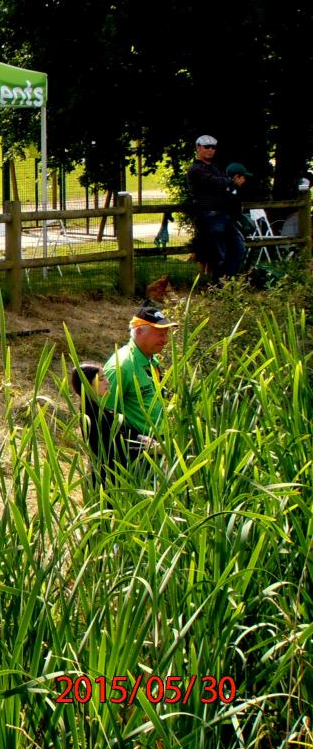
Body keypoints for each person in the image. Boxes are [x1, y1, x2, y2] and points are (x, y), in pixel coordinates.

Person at [69, 361, 152, 488]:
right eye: (101, 379)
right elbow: (109, 452)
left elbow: (123, 432)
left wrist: (142, 439)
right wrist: (146, 450)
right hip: (109, 483)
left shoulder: (98, 408)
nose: (107, 382)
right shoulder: (90, 415)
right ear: (88, 384)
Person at [102, 304, 177, 441]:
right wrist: (137, 439)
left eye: (166, 334)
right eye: (160, 334)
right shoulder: (121, 367)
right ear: (138, 332)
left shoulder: (152, 360)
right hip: (138, 451)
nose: (166, 340)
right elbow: (102, 415)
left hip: (159, 445)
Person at [186, 135, 245, 280]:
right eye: (207, 147)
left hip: (224, 215)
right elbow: (219, 183)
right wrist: (228, 183)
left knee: (238, 248)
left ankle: (228, 281)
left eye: (213, 147)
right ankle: (219, 285)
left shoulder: (214, 168)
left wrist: (226, 184)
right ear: (198, 148)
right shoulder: (195, 170)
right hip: (209, 216)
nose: (210, 150)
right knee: (219, 254)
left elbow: (223, 184)